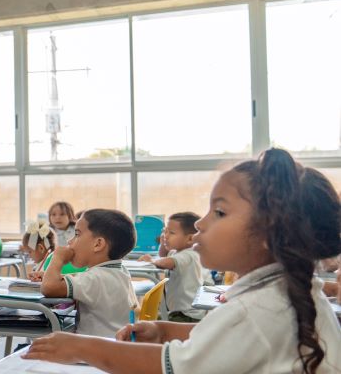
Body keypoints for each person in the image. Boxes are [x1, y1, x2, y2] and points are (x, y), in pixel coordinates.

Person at [23, 149, 341, 373]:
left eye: (219, 211)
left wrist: (82, 348)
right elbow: (228, 338)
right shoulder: (284, 292)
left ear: (268, 233)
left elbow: (167, 368)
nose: (201, 224)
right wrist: (165, 330)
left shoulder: (257, 310)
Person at [38, 209, 138, 338]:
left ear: (98, 244)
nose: (70, 241)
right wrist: (51, 276)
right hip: (116, 345)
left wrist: (58, 258)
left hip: (94, 351)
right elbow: (84, 281)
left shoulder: (95, 278)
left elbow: (49, 288)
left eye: (77, 234)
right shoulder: (119, 271)